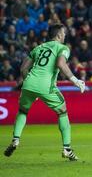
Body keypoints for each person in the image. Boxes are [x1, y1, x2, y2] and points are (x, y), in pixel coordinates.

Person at [3, 24, 86, 161]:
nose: (65, 35)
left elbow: (23, 68)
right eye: (64, 33)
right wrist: (76, 81)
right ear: (59, 35)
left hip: (28, 83)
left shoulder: (39, 48)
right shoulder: (63, 48)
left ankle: (16, 139)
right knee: (62, 111)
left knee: (23, 111)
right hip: (46, 85)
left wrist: (30, 85)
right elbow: (60, 63)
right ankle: (67, 149)